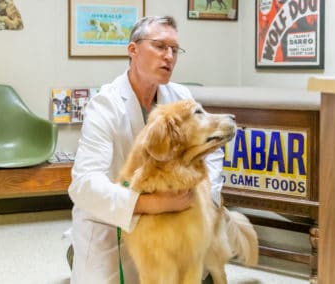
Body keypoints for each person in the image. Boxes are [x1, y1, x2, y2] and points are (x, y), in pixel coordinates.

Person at [67, 15, 224, 284]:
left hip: (177, 215)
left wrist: (204, 195)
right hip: (117, 221)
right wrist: (150, 204)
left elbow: (213, 147)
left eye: (175, 50)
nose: (169, 57)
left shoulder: (181, 97)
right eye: (160, 46)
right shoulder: (105, 105)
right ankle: (74, 250)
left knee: (200, 268)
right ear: (133, 50)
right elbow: (83, 185)